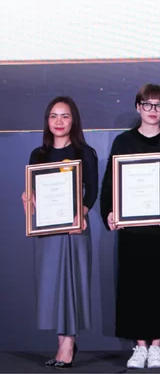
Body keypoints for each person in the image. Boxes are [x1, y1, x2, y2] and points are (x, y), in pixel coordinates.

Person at [99, 85, 160, 369]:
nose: (152, 110)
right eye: (147, 104)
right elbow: (110, 183)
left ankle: (157, 347)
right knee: (134, 289)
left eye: (158, 105)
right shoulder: (123, 142)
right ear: (138, 107)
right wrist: (110, 212)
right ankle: (139, 346)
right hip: (132, 230)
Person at [22, 96, 98, 369]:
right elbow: (33, 191)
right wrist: (28, 198)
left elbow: (92, 190)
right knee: (52, 286)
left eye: (65, 116)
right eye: (53, 115)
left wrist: (82, 212)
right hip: (48, 230)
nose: (59, 121)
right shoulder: (38, 155)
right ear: (47, 121)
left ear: (73, 120)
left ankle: (67, 345)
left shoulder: (84, 152)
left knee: (72, 285)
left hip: (75, 229)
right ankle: (61, 342)